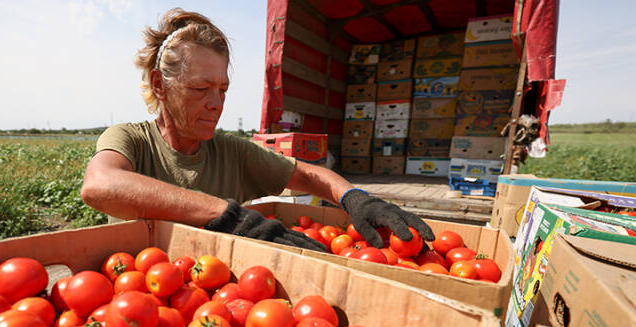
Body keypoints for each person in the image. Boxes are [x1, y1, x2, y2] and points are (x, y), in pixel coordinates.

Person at [81, 8, 434, 251]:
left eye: (223, 90)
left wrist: (355, 198)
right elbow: (100, 185)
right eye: (200, 89)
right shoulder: (131, 139)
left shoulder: (231, 152)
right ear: (160, 85)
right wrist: (226, 215)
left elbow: (308, 176)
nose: (216, 103)